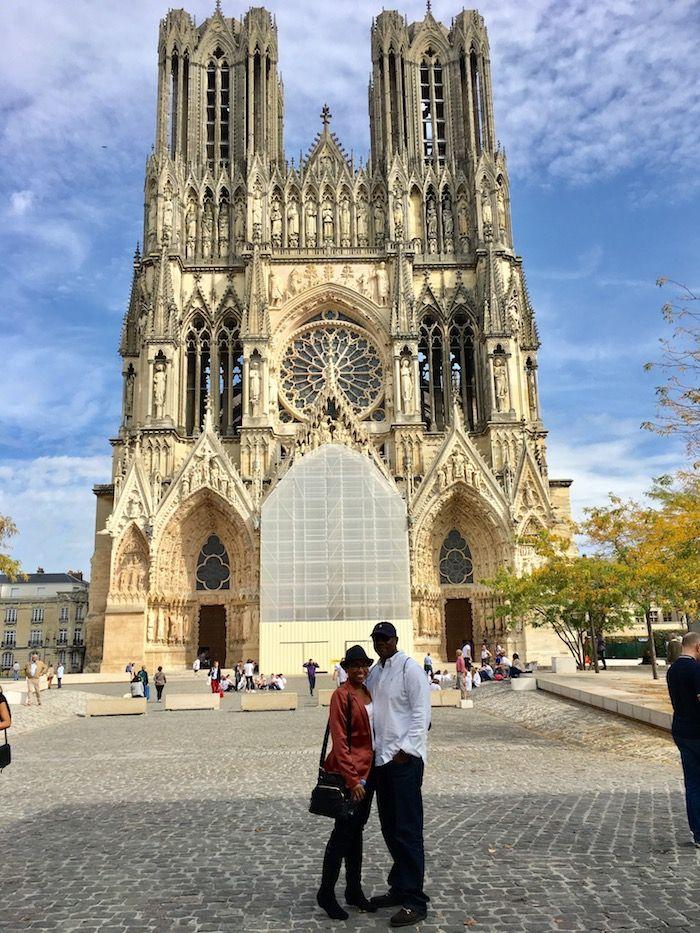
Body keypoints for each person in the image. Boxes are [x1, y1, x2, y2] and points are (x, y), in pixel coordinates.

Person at [366, 621, 431, 926]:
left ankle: (415, 901)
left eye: (385, 639)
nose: (381, 644)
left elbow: (422, 713)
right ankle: (399, 886)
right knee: (390, 828)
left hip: (403, 760)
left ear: (395, 639)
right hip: (381, 760)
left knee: (407, 830)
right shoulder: (376, 672)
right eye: (377, 640)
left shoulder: (410, 668)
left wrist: (408, 750)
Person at [317, 645, 377, 921]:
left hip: (371, 770)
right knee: (342, 834)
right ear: (346, 668)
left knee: (356, 831)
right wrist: (353, 779)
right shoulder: (341, 695)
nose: (360, 670)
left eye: (364, 665)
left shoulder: (368, 692)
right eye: (354, 666)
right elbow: (339, 741)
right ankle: (326, 893)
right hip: (351, 775)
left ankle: (353, 889)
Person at [666, 631, 700, 847]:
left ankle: (698, 832)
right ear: (697, 647)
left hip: (681, 729)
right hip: (698, 731)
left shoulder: (672, 670)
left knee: (693, 783)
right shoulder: (695, 669)